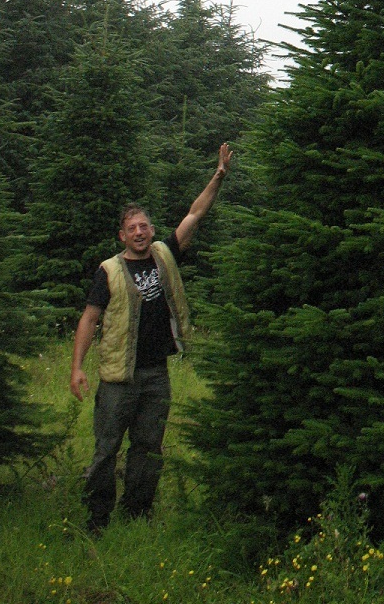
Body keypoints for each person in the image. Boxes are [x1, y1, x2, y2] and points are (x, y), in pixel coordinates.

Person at [70, 142, 233, 533]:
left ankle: (137, 513)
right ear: (122, 236)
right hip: (117, 378)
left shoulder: (164, 254)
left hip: (156, 375)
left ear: (152, 231)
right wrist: (76, 367)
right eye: (132, 229)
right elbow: (90, 319)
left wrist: (218, 176)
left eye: (144, 226)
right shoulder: (107, 271)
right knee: (107, 449)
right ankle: (97, 520)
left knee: (148, 449)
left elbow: (195, 214)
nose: (139, 233)